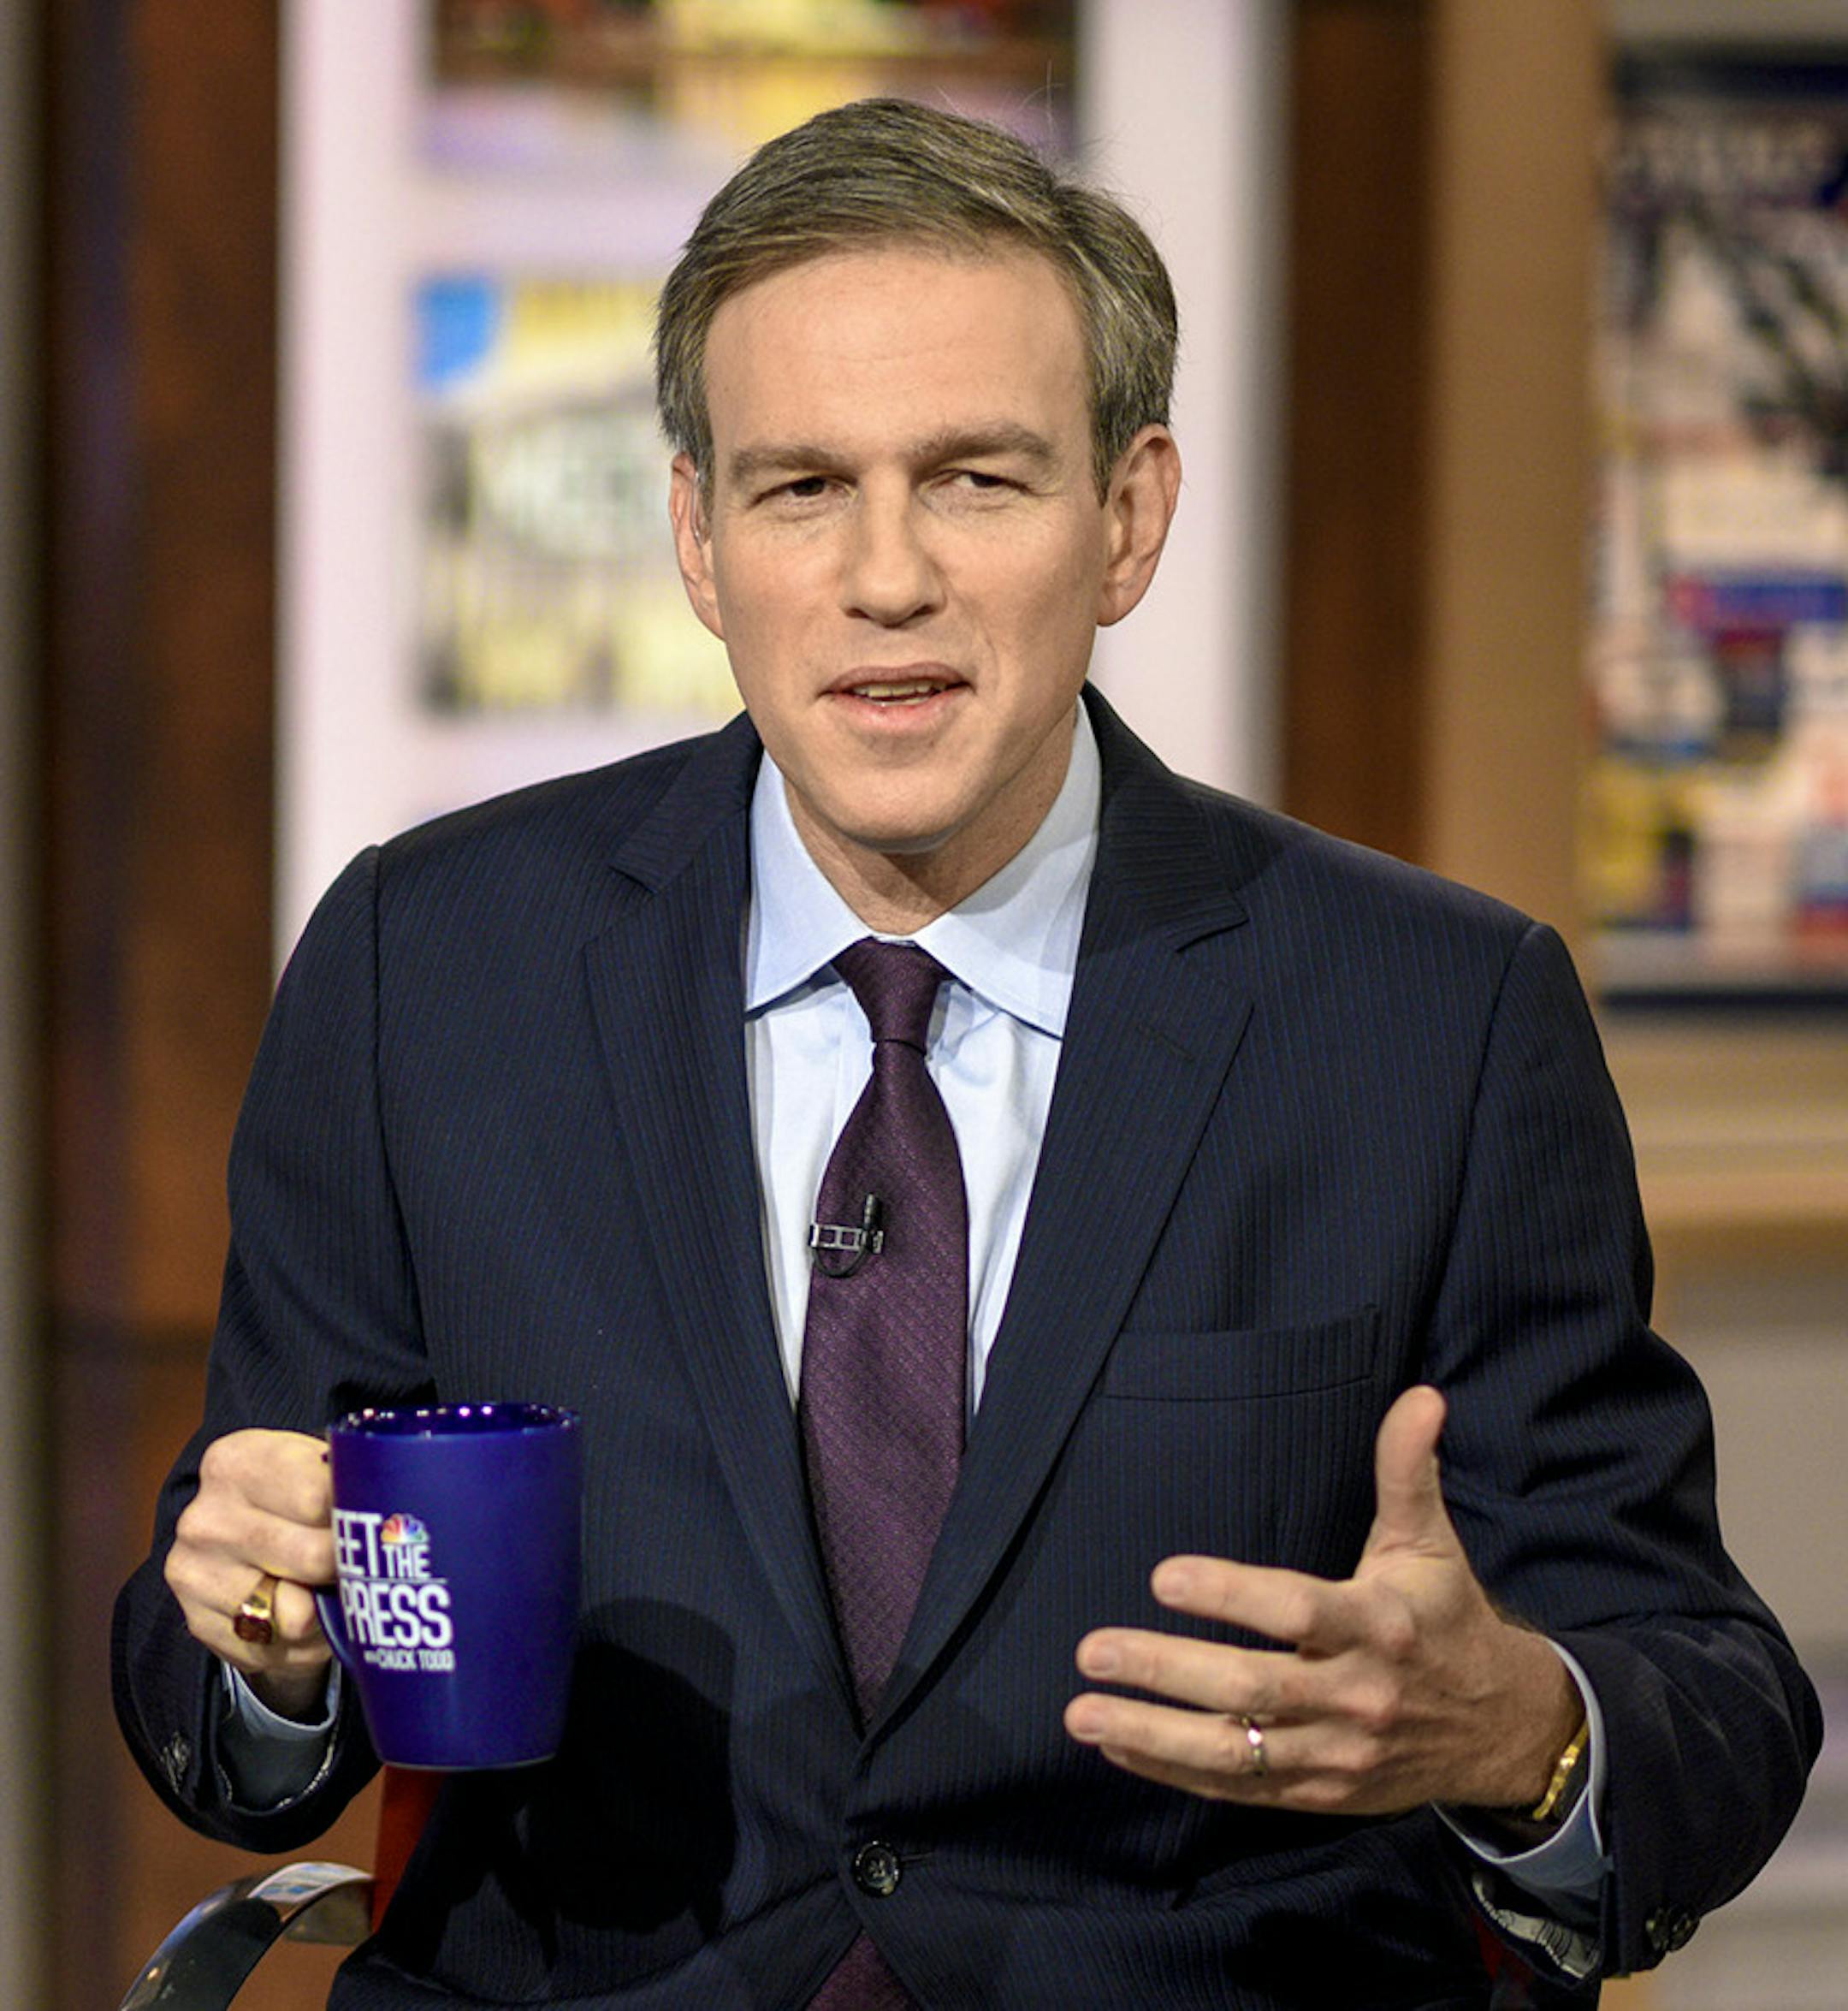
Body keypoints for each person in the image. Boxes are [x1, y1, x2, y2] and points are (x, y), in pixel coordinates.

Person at [115, 98, 1817, 2009]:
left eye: (977, 480)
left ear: (1130, 517)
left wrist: (1519, 1730)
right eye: (800, 487)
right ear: (695, 534)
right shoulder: (424, 965)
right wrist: (268, 1647)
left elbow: (1708, 1690)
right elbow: (213, 1692)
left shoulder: (1433, 1016)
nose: (885, 576)